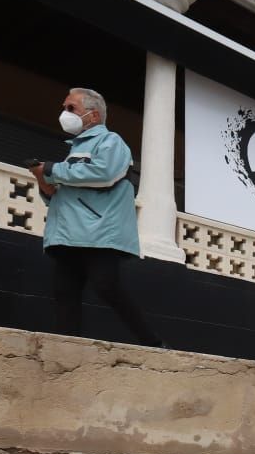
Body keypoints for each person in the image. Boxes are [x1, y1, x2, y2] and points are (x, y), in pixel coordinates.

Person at [29, 88, 163, 347]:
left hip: (99, 231)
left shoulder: (111, 142)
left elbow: (105, 173)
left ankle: (154, 343)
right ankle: (67, 351)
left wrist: (52, 169)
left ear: (93, 115)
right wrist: (41, 178)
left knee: (106, 286)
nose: (65, 114)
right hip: (67, 232)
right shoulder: (74, 150)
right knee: (64, 292)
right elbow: (58, 195)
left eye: (71, 108)